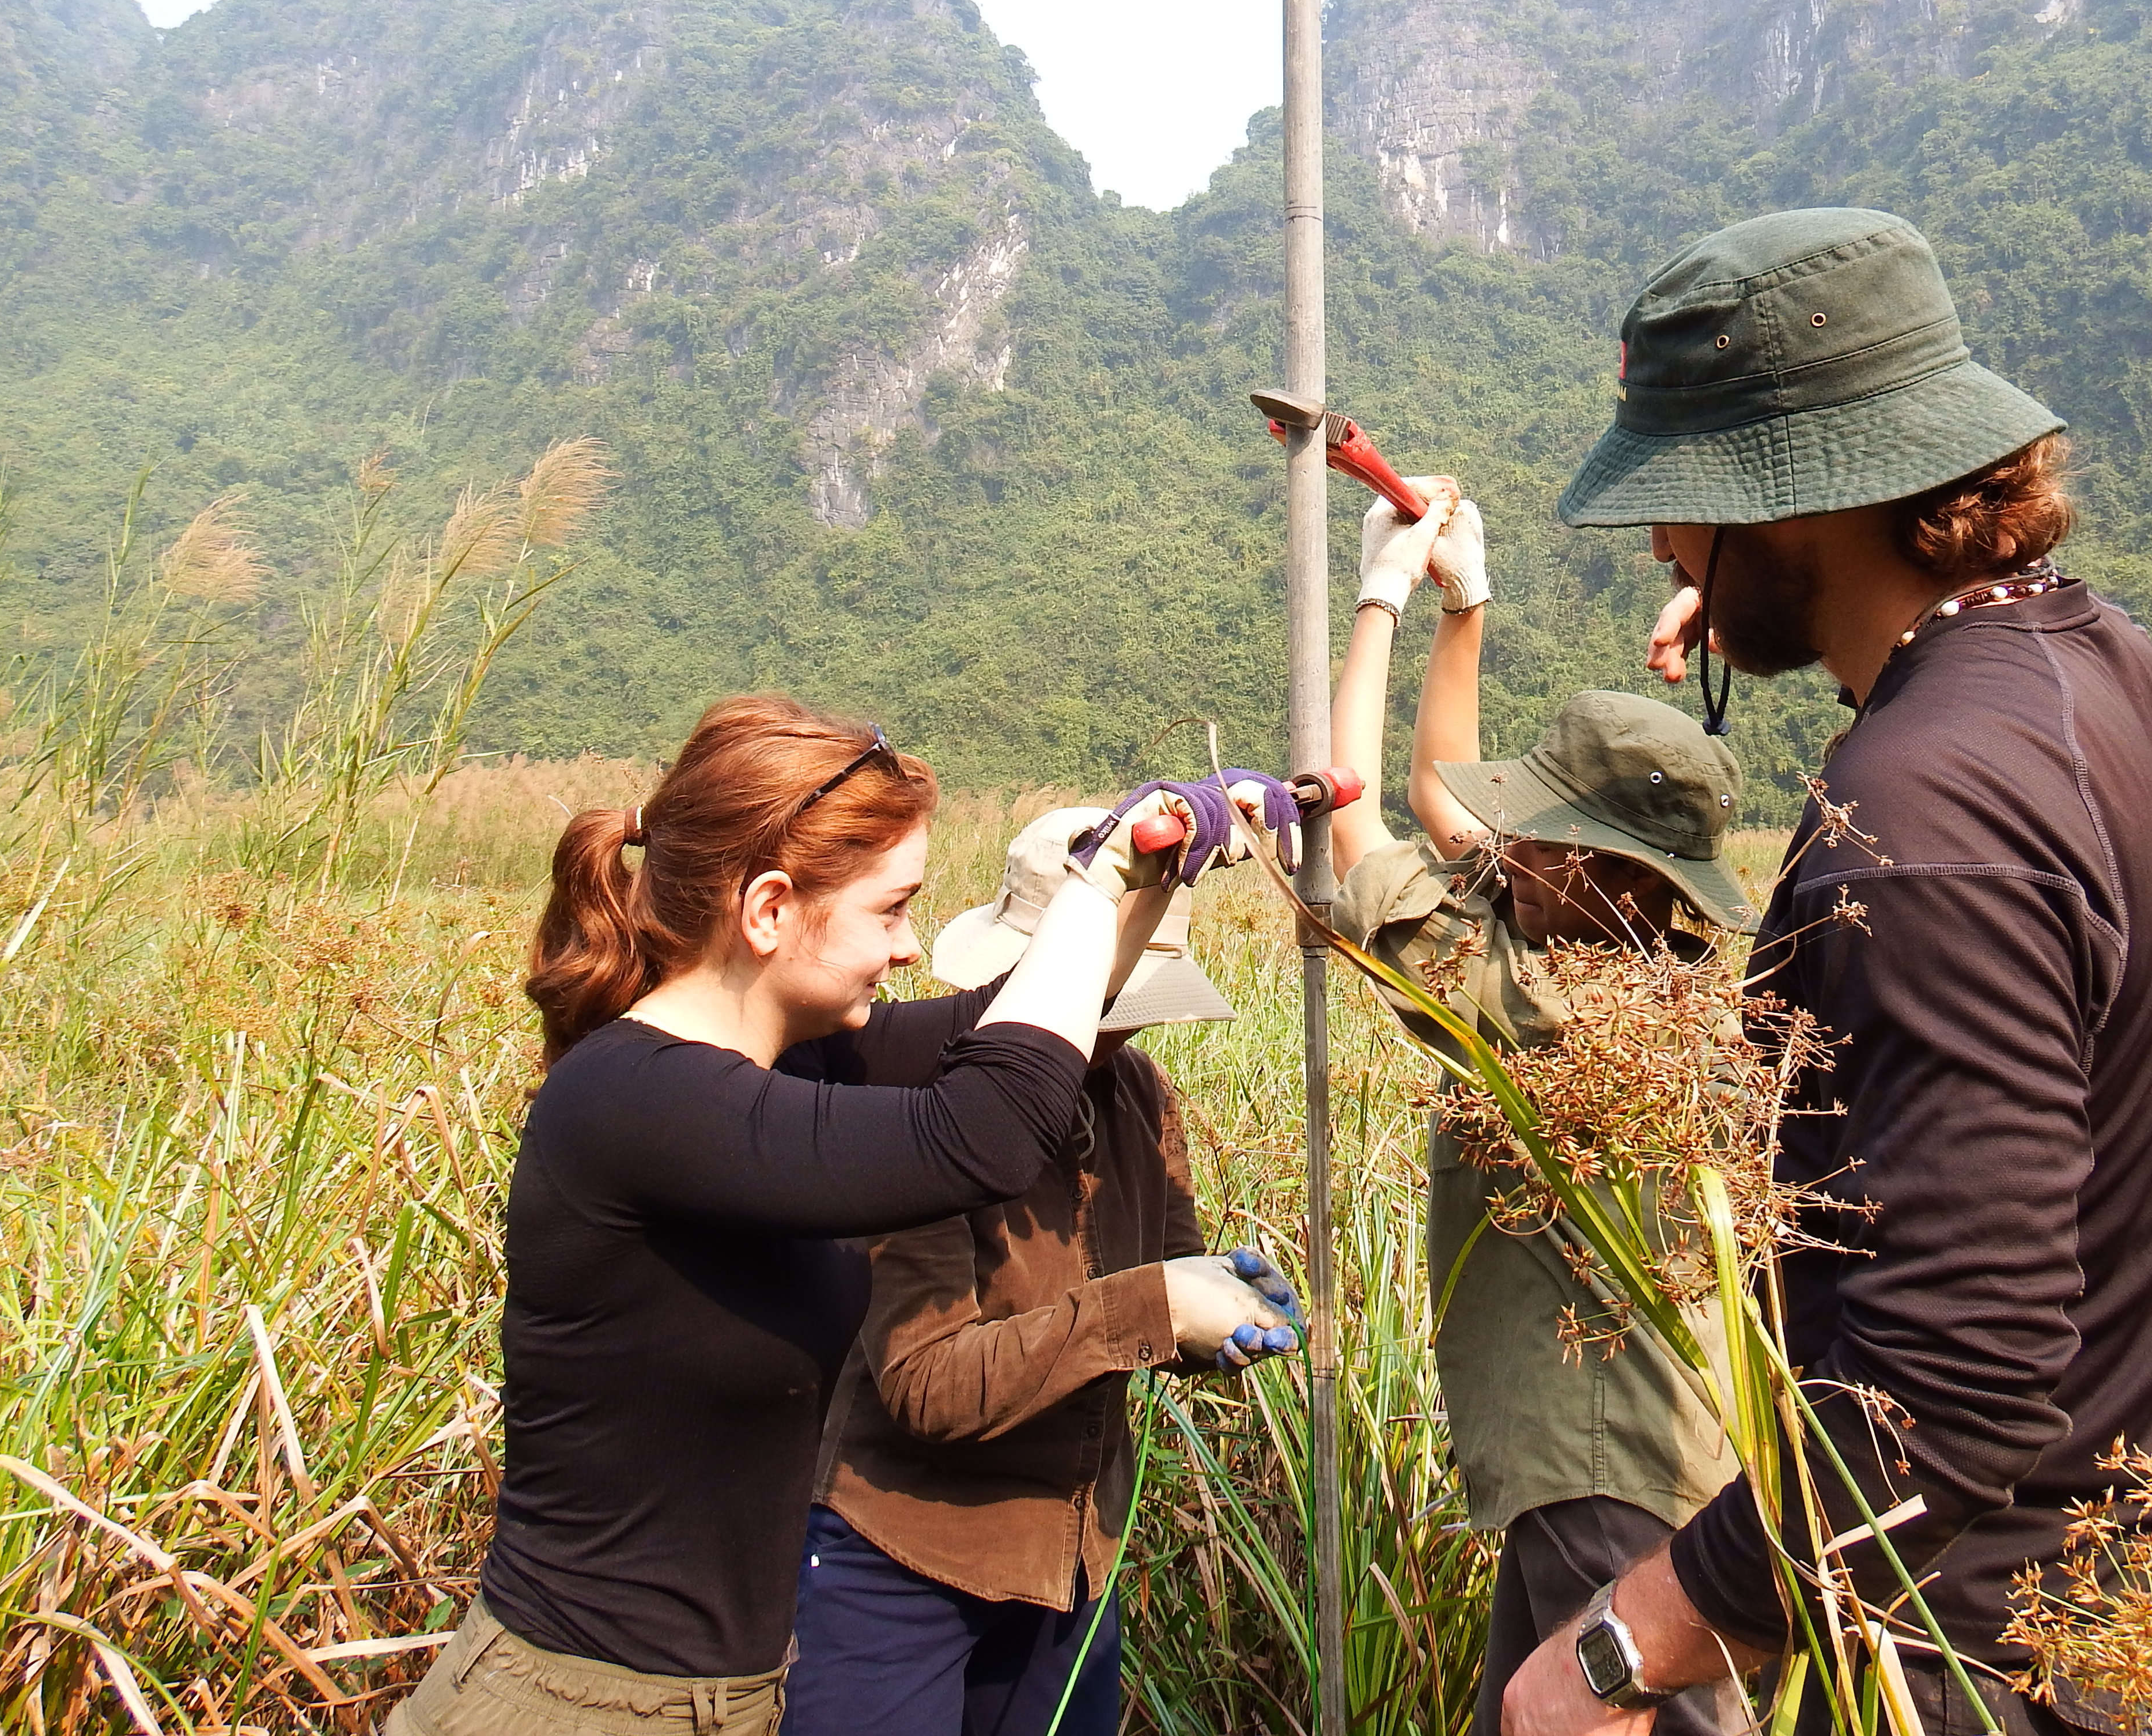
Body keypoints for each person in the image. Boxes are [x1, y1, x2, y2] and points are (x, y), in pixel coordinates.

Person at [1504, 207, 2152, 1735]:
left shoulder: (1920, 819)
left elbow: (1951, 1391)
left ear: (1799, 510)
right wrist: (1786, 605)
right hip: (2134, 1602)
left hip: (1979, 1655)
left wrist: (1617, 1648)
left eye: (1690, 504)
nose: (1659, 543)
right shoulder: (2105, 673)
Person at [387, 697, 1254, 1736]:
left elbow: (1002, 1023)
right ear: (767, 911)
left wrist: (1155, 874)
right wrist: (1095, 878)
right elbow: (982, 1132)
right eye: (890, 911)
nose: (906, 948)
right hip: (581, 1703)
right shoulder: (640, 1102)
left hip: (719, 1699)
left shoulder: (794, 1059)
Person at [1324, 475, 1757, 1736]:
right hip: (1667, 1463)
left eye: (1535, 832)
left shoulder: (1532, 1007)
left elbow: (1353, 810)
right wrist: (1472, 605)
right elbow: (1442, 801)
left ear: (1587, 864)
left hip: (1603, 1476)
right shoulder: (1659, 985)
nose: (1499, 844)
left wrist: (1380, 599)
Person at [786, 809, 1299, 1736]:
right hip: (902, 1555)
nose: (1109, 1035)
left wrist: (1213, 1306)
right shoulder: (924, 1106)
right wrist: (1156, 1303)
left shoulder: (1138, 1093)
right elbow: (927, 1384)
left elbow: (1162, 1271)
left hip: (1071, 1558)